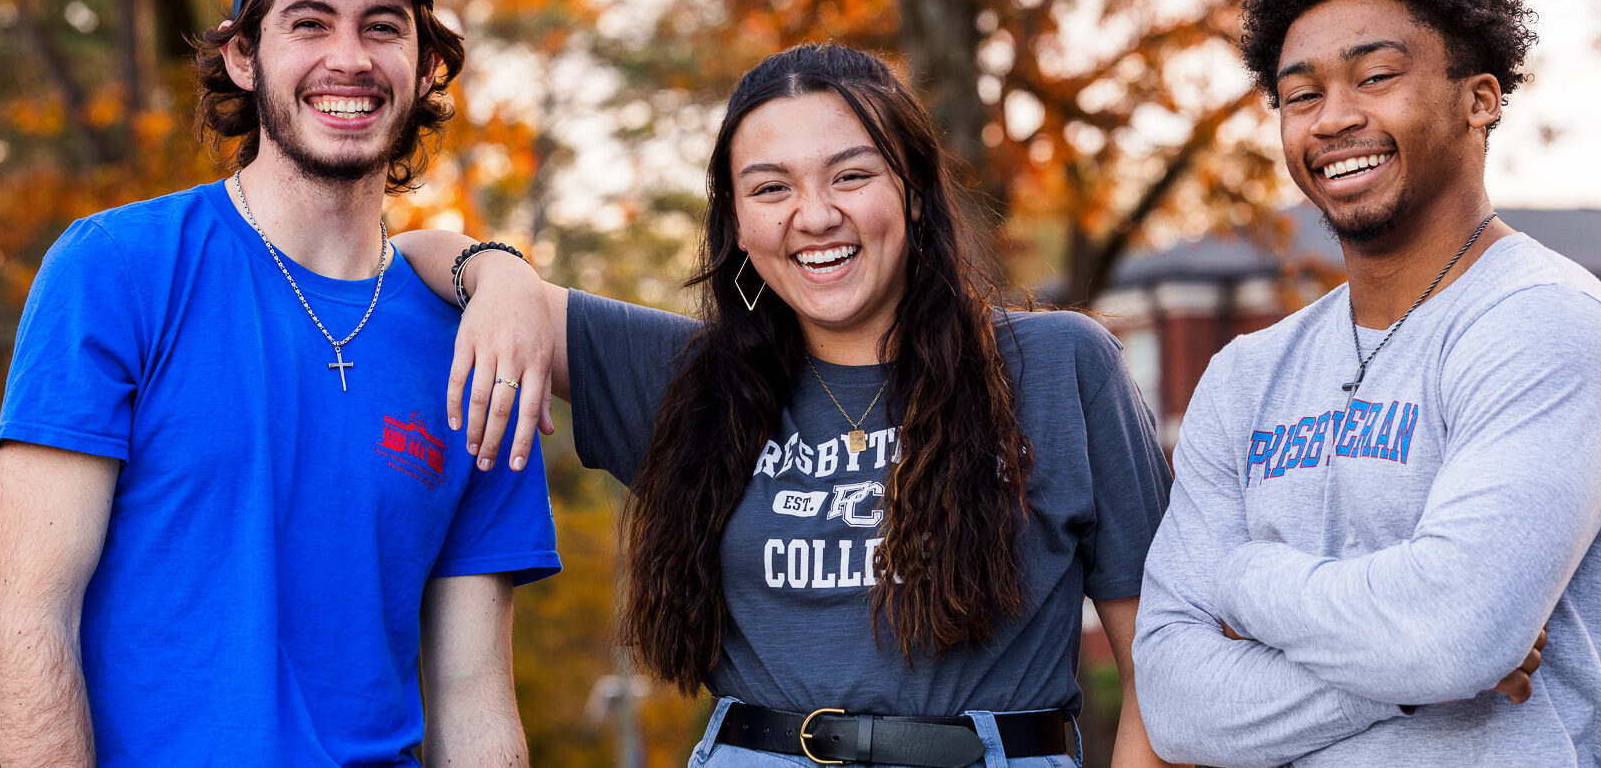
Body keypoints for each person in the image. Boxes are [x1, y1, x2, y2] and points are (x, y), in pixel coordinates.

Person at [394, 43, 1178, 767]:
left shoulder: (1059, 366)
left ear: (911, 193)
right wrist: (504, 278)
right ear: (737, 223)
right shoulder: (687, 379)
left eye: (851, 175)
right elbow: (415, 255)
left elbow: (1162, 663)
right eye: (772, 188)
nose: (814, 215)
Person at [0, 0, 560, 766]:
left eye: (382, 27)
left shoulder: (478, 346)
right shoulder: (116, 270)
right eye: (309, 24)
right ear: (245, 56)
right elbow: (32, 625)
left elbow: (474, 700)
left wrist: (501, 269)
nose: (349, 59)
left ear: (422, 64)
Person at [1131, 0, 1601, 767]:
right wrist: (1416, 664)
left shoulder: (1547, 325)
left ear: (1479, 98)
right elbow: (1174, 701)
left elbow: (1451, 633)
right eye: (1301, 95)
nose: (1334, 119)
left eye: (1376, 77)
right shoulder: (1246, 377)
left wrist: (1240, 580)